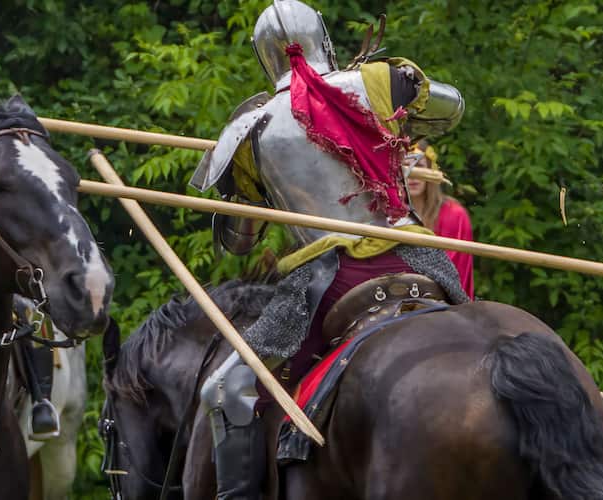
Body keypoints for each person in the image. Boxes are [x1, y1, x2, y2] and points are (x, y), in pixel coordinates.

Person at [189, 1, 466, 497]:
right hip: (419, 259)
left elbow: (238, 241)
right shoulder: (381, 81)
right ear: (323, 38)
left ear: (263, 56)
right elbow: (451, 108)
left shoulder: (248, 130)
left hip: (327, 279)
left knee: (225, 389)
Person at [405, 141, 474, 298]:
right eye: (405, 166)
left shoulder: (454, 214)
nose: (413, 174)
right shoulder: (390, 214)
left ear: (431, 171)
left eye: (419, 166)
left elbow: (453, 269)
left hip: (442, 298)